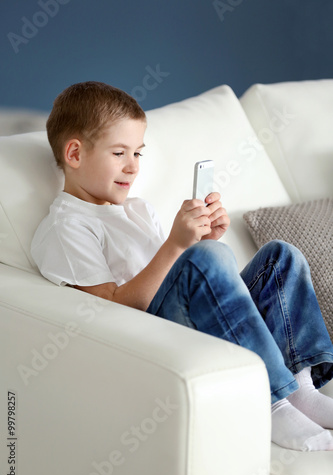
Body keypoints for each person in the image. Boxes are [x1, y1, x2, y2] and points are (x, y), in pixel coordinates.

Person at [31, 81, 333, 452]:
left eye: (138, 153)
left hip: (187, 318)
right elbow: (108, 310)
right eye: (119, 152)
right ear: (75, 154)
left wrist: (202, 242)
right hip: (153, 339)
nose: (133, 167)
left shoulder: (137, 210)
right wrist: (180, 245)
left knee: (279, 256)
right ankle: (273, 404)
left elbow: (178, 276)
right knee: (207, 258)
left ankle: (301, 387)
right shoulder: (67, 226)